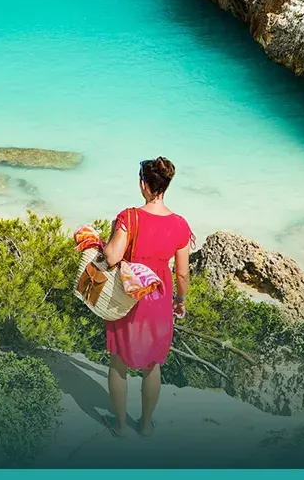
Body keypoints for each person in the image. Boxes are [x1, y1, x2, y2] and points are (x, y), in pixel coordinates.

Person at [100, 157, 192, 439]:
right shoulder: (180, 224)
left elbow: (113, 256)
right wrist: (180, 299)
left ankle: (120, 427)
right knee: (153, 366)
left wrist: (101, 245)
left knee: (119, 362)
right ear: (166, 186)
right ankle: (145, 425)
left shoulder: (129, 217)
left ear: (143, 184)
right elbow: (183, 274)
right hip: (159, 298)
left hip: (129, 296)